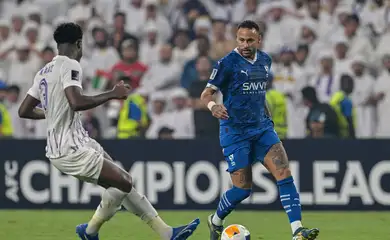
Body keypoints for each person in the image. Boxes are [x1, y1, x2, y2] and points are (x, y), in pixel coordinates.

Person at [18, 22, 199, 240]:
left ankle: (167, 233)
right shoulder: (71, 65)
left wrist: (52, 112)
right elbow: (76, 102)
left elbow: (24, 110)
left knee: (123, 184)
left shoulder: (43, 71)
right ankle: (90, 230)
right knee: (123, 182)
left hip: (77, 142)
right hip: (69, 148)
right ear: (78, 43)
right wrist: (112, 94)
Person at [200, 20, 319, 240]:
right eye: (241, 40)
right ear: (237, 39)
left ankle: (297, 231)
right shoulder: (226, 64)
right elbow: (206, 94)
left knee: (284, 173)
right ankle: (215, 220)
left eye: (250, 40)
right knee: (242, 190)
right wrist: (213, 106)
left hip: (262, 129)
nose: (245, 44)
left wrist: (267, 117)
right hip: (234, 132)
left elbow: (259, 93)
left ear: (259, 40)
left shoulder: (265, 60)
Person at [329, 74, 356, 138]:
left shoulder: (335, 96)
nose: (351, 86)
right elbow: (349, 118)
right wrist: (352, 133)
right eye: (349, 83)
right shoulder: (344, 99)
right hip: (344, 132)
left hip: (335, 129)